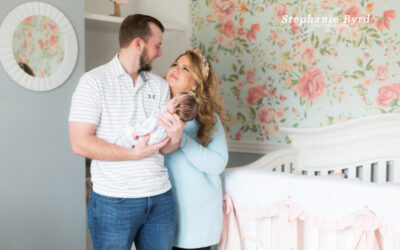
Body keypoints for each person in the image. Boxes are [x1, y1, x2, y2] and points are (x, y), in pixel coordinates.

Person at [68, 14, 186, 250]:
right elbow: (79, 143)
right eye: (157, 45)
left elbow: (165, 147)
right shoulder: (93, 82)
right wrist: (132, 154)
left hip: (160, 199)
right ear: (139, 44)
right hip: (114, 201)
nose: (160, 53)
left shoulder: (160, 86)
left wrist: (176, 136)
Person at [162, 50, 229, 250]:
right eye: (175, 64)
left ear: (195, 83)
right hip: (163, 216)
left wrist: (182, 139)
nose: (176, 69)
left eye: (185, 68)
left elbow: (217, 164)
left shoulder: (207, 120)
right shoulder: (157, 111)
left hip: (197, 223)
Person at [115, 92, 198, 147]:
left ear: (173, 104)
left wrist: (138, 132)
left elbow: (150, 124)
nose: (169, 100)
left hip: (141, 137)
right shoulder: (176, 123)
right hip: (151, 144)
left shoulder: (164, 114)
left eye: (172, 99)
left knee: (124, 131)